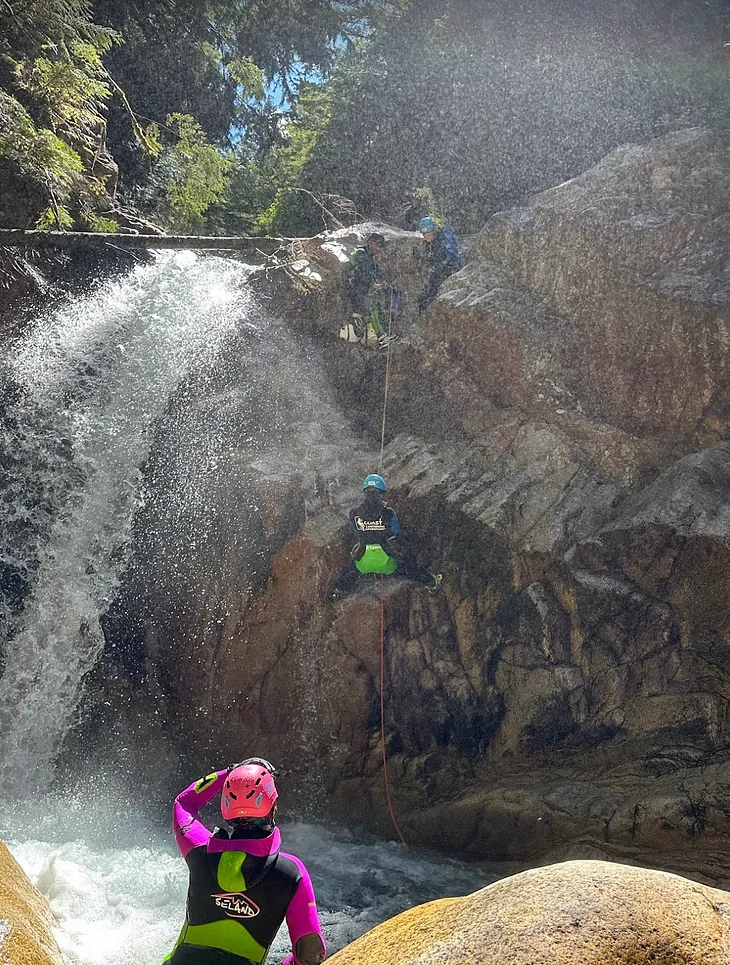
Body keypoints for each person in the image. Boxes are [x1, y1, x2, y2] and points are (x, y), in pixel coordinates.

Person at [165, 758, 326, 965]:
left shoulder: (198, 852)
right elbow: (309, 953)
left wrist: (231, 772)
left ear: (225, 808)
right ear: (272, 805)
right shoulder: (292, 872)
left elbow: (184, 802)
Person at [331, 474, 442, 599]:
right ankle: (431, 582)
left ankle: (338, 590)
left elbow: (353, 530)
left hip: (362, 561)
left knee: (350, 570)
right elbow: (395, 532)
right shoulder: (389, 513)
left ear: (365, 492)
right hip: (387, 561)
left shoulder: (354, 513)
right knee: (408, 566)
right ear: (381, 493)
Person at [342, 233, 400, 348]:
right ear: (370, 242)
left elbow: (376, 272)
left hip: (364, 289)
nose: (379, 249)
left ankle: (385, 334)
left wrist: (384, 282)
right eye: (377, 245)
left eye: (380, 246)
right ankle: (381, 336)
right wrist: (373, 285)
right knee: (373, 306)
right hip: (356, 290)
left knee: (380, 303)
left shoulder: (369, 257)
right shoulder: (361, 253)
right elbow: (363, 273)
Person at [416, 217, 462, 314]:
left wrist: (441, 266)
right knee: (423, 299)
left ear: (431, 231)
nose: (424, 236)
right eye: (422, 234)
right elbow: (432, 259)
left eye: (425, 233)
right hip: (439, 272)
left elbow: (449, 256)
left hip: (448, 271)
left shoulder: (441, 240)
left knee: (430, 297)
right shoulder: (430, 244)